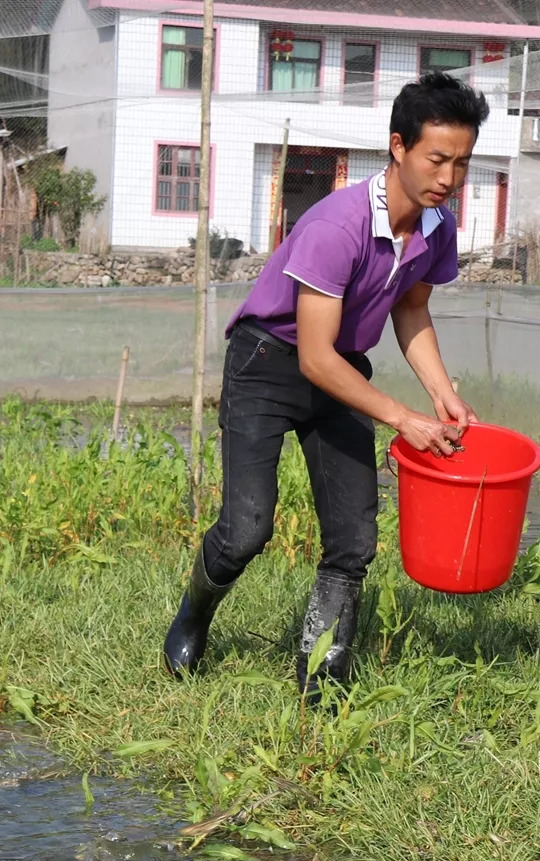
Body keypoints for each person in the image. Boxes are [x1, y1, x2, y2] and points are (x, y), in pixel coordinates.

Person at [164, 71, 490, 695]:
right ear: (399, 147)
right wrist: (404, 417)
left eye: (462, 163)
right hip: (270, 363)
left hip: (342, 371)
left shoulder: (435, 227)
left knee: (353, 537)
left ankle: (324, 676)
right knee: (248, 526)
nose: (449, 178)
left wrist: (443, 394)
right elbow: (313, 357)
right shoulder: (337, 226)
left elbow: (410, 309)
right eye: (437, 159)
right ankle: (194, 614)